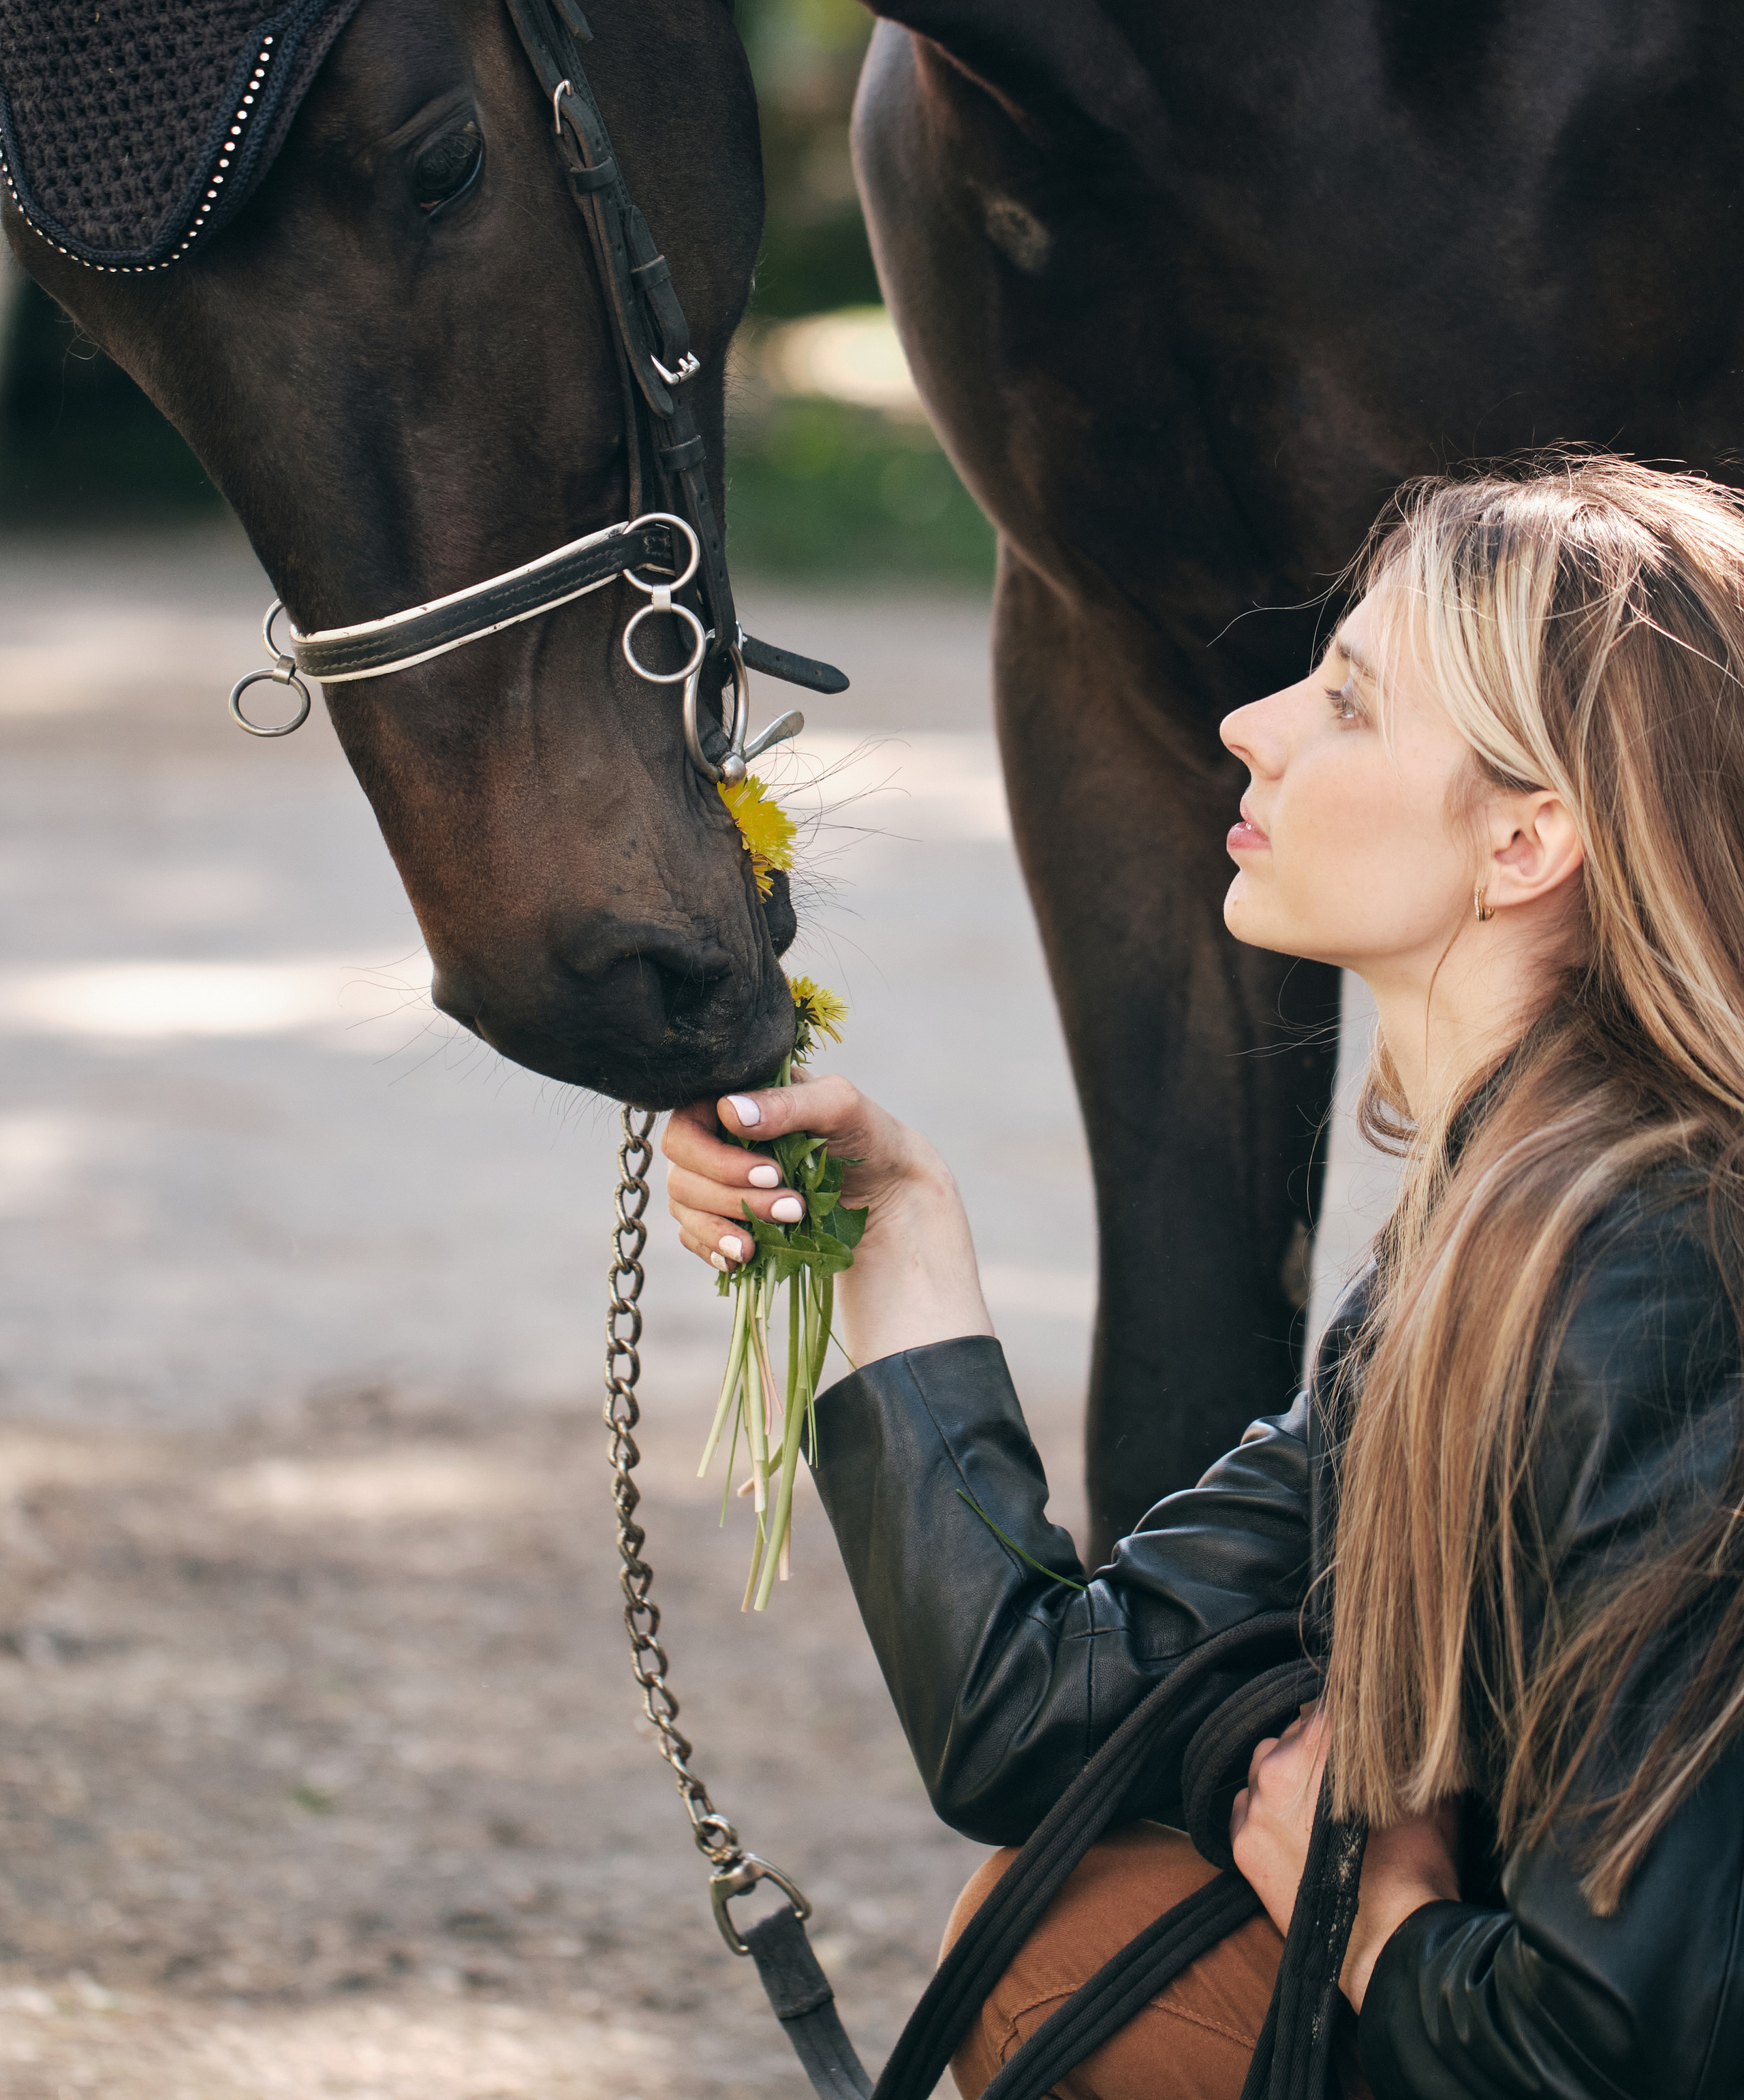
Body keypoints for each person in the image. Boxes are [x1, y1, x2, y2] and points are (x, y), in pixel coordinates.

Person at [663, 456, 1744, 2099]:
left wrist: (1376, 1920)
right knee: (1062, 1925)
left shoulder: (1647, 1291)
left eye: (1350, 705)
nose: (1249, 724)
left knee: (1071, 1967)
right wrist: (900, 1238)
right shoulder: (1497, 1235)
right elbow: (1033, 1723)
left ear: (1526, 839)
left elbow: (1618, 2047)